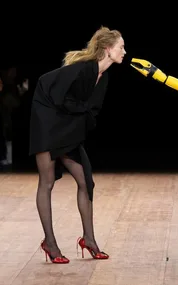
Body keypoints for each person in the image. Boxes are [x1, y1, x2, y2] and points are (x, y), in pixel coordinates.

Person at [29, 26, 126, 263]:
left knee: (86, 181)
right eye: (121, 47)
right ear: (108, 49)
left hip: (67, 127)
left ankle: (89, 240)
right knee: (47, 182)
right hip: (47, 123)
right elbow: (47, 84)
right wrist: (74, 115)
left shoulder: (104, 77)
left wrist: (79, 118)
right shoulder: (83, 69)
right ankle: (50, 244)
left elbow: (89, 109)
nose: (124, 51)